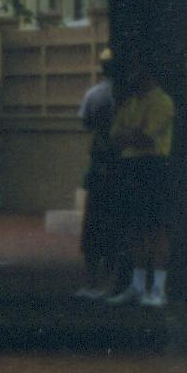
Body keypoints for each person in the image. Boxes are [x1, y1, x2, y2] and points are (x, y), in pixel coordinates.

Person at [100, 54, 177, 308]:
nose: (132, 77)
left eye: (137, 71)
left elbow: (145, 138)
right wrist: (131, 136)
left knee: (156, 229)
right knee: (134, 229)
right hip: (131, 166)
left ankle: (157, 290)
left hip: (153, 166)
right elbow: (115, 135)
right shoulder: (131, 103)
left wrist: (129, 135)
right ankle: (137, 285)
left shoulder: (162, 102)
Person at [72, 54, 122, 298]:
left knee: (93, 221)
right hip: (122, 163)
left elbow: (86, 123)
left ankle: (92, 278)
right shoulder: (127, 96)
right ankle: (112, 276)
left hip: (100, 160)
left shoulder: (94, 94)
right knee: (117, 220)